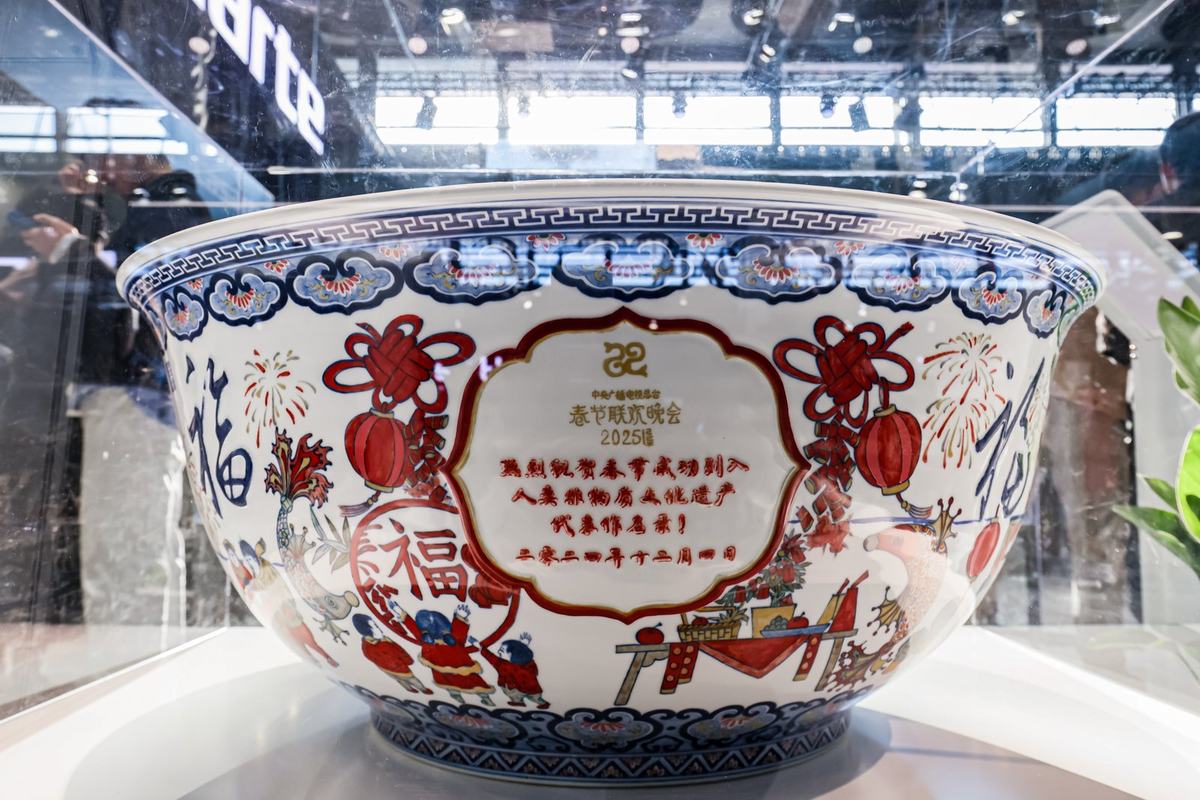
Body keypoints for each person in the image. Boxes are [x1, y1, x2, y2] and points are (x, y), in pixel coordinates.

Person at [352, 613, 432, 695]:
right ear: (365, 630)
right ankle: (422, 689)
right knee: (410, 678)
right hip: (397, 666)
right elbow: (398, 650)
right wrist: (406, 660)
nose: (378, 629)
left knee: (401, 679)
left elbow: (398, 649)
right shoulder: (375, 644)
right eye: (373, 627)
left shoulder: (381, 640)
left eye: (376, 626)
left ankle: (409, 688)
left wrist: (407, 659)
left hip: (392, 666)